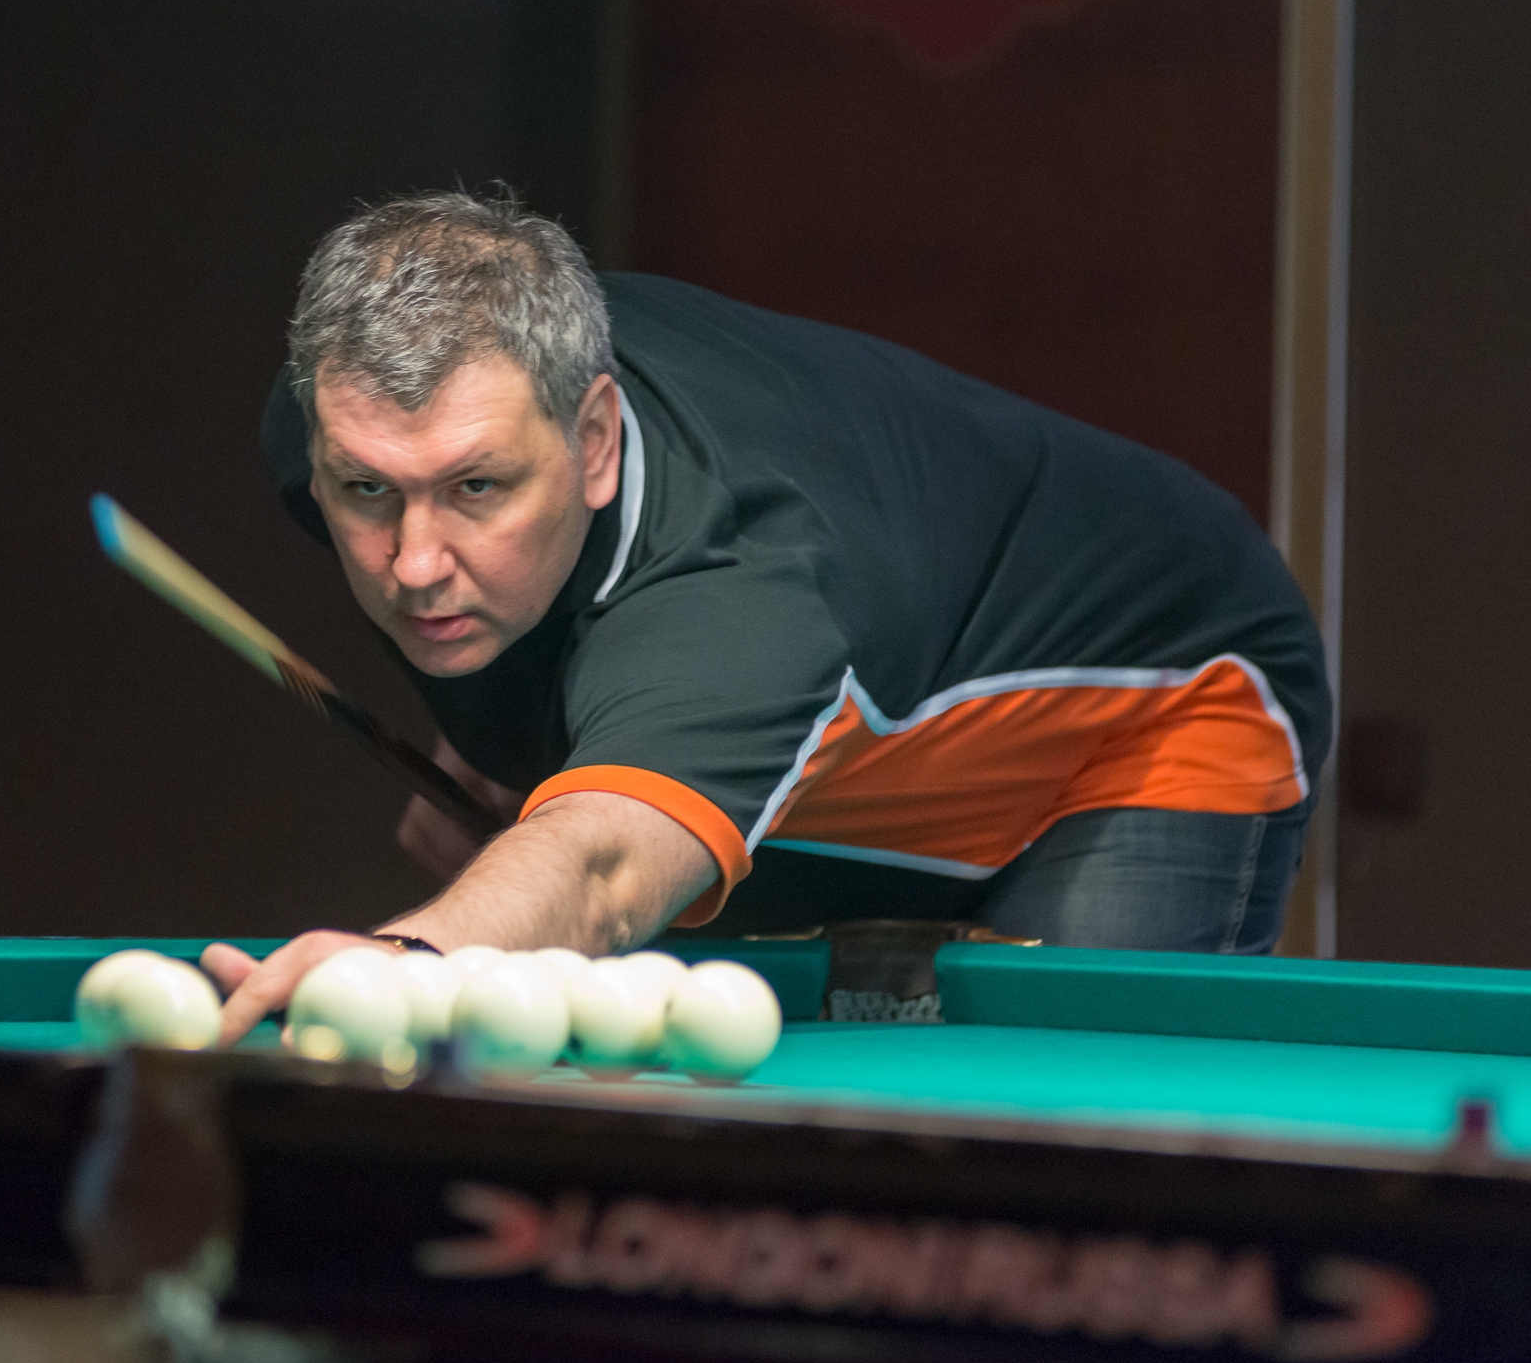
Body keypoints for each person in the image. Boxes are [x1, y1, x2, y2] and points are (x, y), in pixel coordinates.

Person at [206, 191, 1328, 1041]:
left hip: (1165, 697)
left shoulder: (748, 589)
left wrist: (415, 958)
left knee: (1055, 1146)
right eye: (368, 492)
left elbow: (597, 870)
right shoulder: (333, 426)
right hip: (862, 714)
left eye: (477, 488)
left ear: (593, 442)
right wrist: (502, 726)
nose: (412, 563)